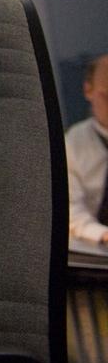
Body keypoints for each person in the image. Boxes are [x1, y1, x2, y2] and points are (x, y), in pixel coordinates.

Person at [67, 54, 108, 244]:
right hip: (96, 251)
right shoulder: (73, 144)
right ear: (88, 90)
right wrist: (102, 234)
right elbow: (71, 210)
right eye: (107, 96)